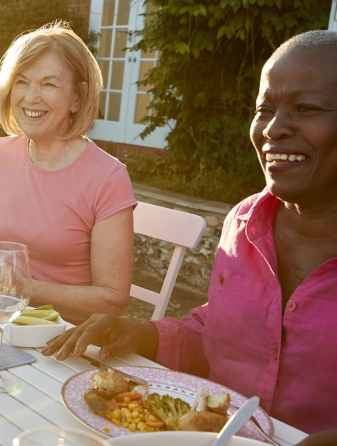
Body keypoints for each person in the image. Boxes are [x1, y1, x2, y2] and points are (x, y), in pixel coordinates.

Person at [42, 30, 337, 439]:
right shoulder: (243, 225)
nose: (273, 129)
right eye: (264, 109)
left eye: (306, 108)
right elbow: (216, 334)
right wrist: (134, 332)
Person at [0, 21, 136, 322]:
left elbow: (111, 300)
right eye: (22, 81)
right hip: (0, 320)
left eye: (49, 84)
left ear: (78, 98)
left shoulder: (108, 178)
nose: (31, 97)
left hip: (64, 340)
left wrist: (25, 288)